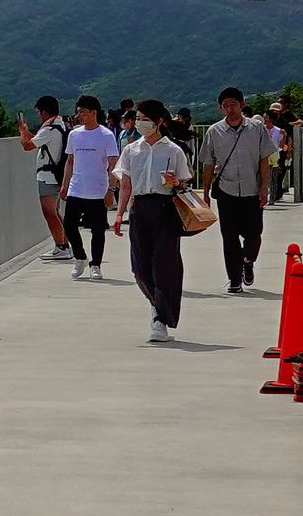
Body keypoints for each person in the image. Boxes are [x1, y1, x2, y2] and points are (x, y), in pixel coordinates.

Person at [119, 97, 189, 343]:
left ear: (159, 121)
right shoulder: (131, 150)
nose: (140, 123)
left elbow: (184, 182)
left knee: (165, 264)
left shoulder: (173, 150)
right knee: (139, 266)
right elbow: (125, 184)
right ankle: (157, 304)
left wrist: (176, 182)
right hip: (139, 208)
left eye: (145, 119)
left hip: (165, 207)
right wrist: (120, 213)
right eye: (138, 118)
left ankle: (160, 319)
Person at [200, 86, 273, 294]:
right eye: (225, 106)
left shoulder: (256, 128)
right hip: (226, 190)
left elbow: (264, 159)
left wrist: (264, 187)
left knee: (254, 235)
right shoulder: (214, 131)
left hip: (252, 190)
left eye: (233, 104)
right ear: (220, 108)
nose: (230, 109)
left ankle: (247, 261)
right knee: (229, 236)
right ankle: (234, 279)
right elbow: (208, 164)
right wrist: (205, 193)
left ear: (242, 105)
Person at [60, 96, 119, 279]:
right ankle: (80, 257)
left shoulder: (106, 135)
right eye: (78, 112)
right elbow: (70, 161)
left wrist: (111, 189)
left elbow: (113, 164)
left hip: (97, 190)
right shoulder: (74, 134)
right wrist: (65, 185)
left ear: (94, 113)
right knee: (69, 225)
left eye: (83, 112)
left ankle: (96, 264)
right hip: (76, 188)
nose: (79, 116)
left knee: (98, 230)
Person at [28, 96, 71, 258]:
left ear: (45, 112)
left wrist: (23, 130)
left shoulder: (49, 130)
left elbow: (27, 145)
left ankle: (61, 247)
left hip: (48, 176)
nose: (38, 115)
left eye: (39, 112)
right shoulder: (61, 126)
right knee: (56, 212)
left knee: (49, 212)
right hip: (58, 175)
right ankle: (65, 245)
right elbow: (38, 140)